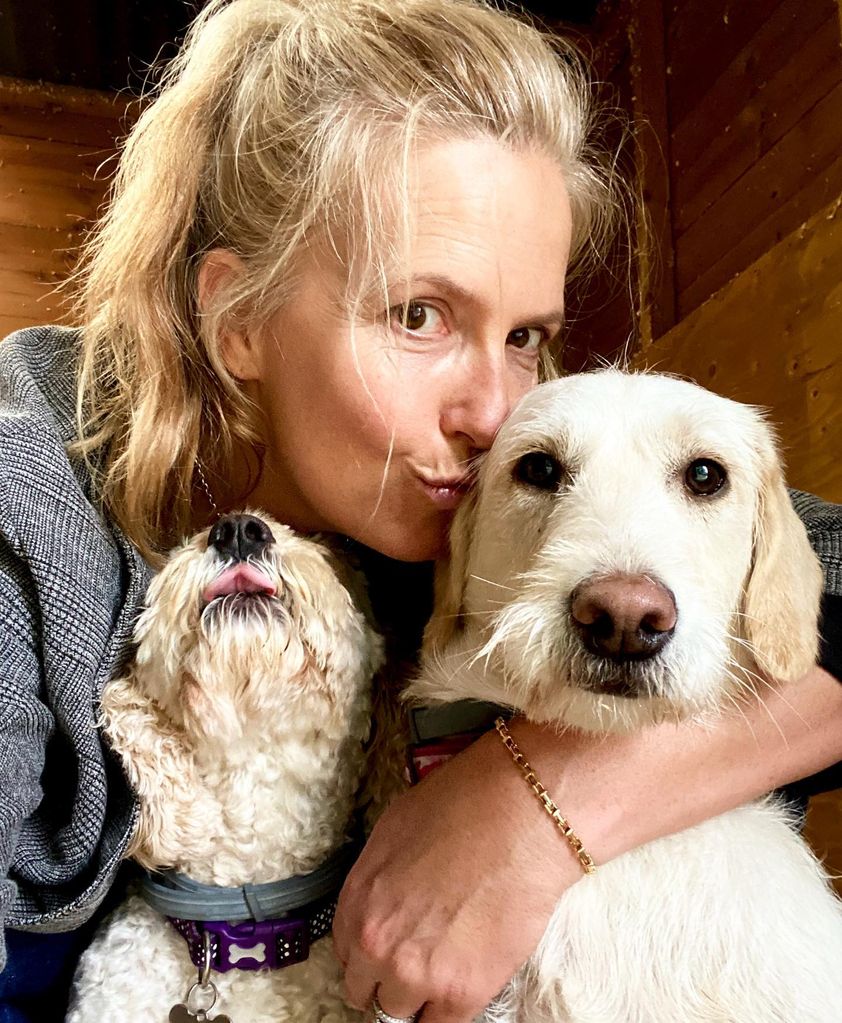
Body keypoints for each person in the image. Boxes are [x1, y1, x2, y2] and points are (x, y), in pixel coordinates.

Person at [0, 1, 840, 1021]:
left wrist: (536, 809)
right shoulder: (24, 492)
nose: (492, 410)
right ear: (238, 320)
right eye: (418, 316)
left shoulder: (504, 487)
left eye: (524, 333)